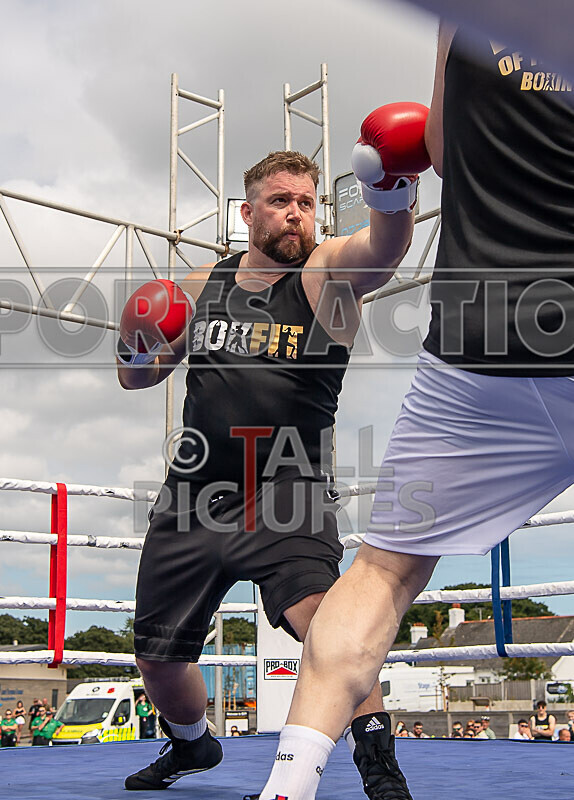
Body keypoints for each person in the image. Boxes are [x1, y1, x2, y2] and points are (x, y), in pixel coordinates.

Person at [257, 20, 574, 800]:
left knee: (381, 572)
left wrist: (387, 190)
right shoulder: (215, 283)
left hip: (483, 331)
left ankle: (287, 784)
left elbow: (438, 140)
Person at [118, 121, 430, 792]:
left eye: (307, 202)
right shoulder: (203, 282)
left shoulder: (325, 273)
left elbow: (382, 251)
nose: (296, 213)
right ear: (248, 211)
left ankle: (380, 768)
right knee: (158, 659)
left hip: (288, 488)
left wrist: (392, 190)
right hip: (195, 495)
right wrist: (135, 345)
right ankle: (192, 746)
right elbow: (139, 377)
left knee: (324, 620)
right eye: (281, 200)